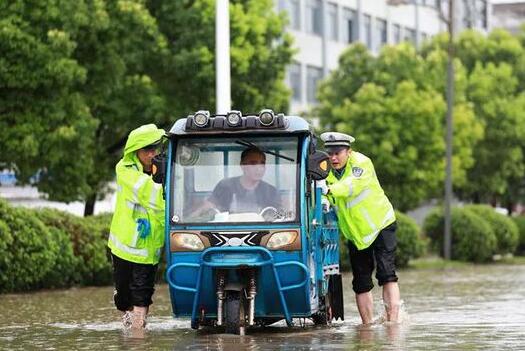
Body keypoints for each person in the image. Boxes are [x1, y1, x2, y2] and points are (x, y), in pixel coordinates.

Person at [318, 132, 400, 325]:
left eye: (338, 153)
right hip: (356, 234)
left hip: (380, 225)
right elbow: (324, 197)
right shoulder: (325, 172)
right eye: (329, 153)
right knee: (361, 283)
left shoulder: (361, 163)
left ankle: (393, 325)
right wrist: (323, 198)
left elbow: (351, 186)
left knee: (386, 273)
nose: (333, 158)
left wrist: (328, 189)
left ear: (349, 151)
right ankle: (367, 328)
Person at [107, 124, 166, 332]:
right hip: (124, 247)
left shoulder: (163, 169)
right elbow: (152, 195)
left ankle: (138, 334)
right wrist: (162, 182)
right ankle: (130, 322)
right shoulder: (124, 170)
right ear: (136, 152)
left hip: (149, 249)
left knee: (142, 293)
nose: (152, 154)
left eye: (155, 148)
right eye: (147, 150)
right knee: (124, 298)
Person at [193, 147, 281, 219]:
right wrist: (191, 219)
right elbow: (209, 206)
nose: (259, 168)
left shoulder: (271, 191)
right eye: (253, 164)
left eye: (262, 164)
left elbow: (279, 215)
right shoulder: (225, 186)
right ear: (242, 165)